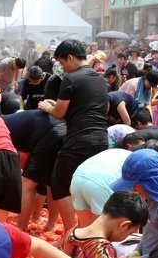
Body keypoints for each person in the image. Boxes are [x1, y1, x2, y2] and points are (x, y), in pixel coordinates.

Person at [39, 39, 110, 230]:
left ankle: (72, 233)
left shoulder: (71, 78)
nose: (62, 68)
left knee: (59, 184)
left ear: (70, 58)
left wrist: (47, 106)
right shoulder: (99, 78)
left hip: (79, 140)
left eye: (62, 63)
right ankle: (89, 230)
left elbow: (59, 112)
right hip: (101, 140)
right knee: (87, 185)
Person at [2, 108, 66, 230]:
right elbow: (26, 152)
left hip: (49, 133)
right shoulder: (9, 121)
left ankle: (20, 230)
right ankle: (51, 225)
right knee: (52, 183)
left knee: (27, 184)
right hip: (61, 128)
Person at [69, 148, 130, 227]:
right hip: (100, 184)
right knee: (100, 230)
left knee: (84, 228)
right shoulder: (140, 159)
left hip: (78, 177)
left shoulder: (118, 151)